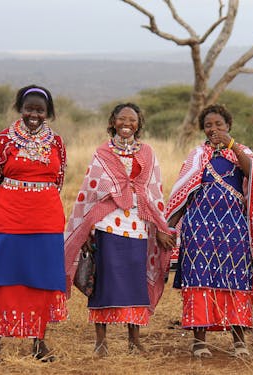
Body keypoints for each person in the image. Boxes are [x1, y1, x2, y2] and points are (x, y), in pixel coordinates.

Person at [64, 103, 176, 357]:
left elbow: (153, 192)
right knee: (103, 281)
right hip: (106, 225)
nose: (127, 123)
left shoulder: (147, 153)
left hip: (138, 226)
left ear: (139, 124)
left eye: (132, 120)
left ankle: (134, 341)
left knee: (136, 282)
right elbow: (91, 191)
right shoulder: (102, 152)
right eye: (122, 119)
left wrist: (159, 227)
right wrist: (86, 230)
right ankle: (101, 341)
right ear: (113, 121)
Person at [165, 104, 253, 358]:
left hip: (233, 227)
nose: (214, 129)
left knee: (237, 278)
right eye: (208, 125)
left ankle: (239, 341)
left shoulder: (242, 152)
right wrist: (168, 226)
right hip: (198, 227)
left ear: (228, 126)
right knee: (199, 278)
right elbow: (183, 193)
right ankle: (199, 341)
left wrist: (232, 145)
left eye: (219, 125)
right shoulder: (197, 155)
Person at [0, 85, 67, 363]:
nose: (34, 114)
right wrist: (13, 198)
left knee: (43, 278)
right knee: (4, 276)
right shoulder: (3, 141)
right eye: (29, 108)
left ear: (48, 113)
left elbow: (59, 178)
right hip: (9, 217)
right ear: (20, 108)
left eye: (40, 110)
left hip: (47, 218)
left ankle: (38, 342)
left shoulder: (56, 143)